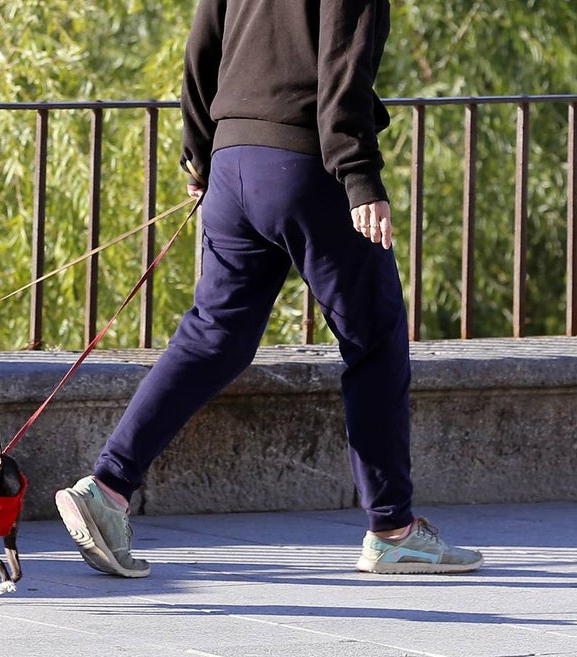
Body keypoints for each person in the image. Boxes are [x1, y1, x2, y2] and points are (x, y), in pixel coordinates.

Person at [54, 0, 484, 577]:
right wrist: (359, 174)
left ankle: (106, 490)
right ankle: (393, 530)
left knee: (215, 336)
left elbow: (201, 48)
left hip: (232, 164)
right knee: (375, 341)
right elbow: (342, 64)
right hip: (306, 165)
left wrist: (201, 151)